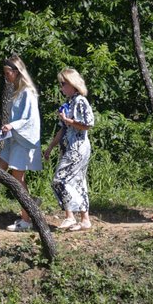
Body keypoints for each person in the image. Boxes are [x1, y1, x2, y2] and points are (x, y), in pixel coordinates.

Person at [43, 68, 95, 231]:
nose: (62, 87)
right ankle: (85, 220)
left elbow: (88, 124)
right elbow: (62, 129)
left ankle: (70, 216)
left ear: (73, 84)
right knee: (78, 181)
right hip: (69, 147)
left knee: (59, 180)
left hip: (78, 147)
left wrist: (69, 121)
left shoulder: (80, 101)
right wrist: (50, 147)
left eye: (64, 84)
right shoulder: (70, 103)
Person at [0, 56, 43, 232]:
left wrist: (11, 125)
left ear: (16, 72)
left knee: (18, 178)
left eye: (7, 73)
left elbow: (29, 118)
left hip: (23, 140)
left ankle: (26, 219)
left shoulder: (27, 92)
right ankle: (30, 204)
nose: (6, 76)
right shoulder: (17, 91)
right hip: (14, 138)